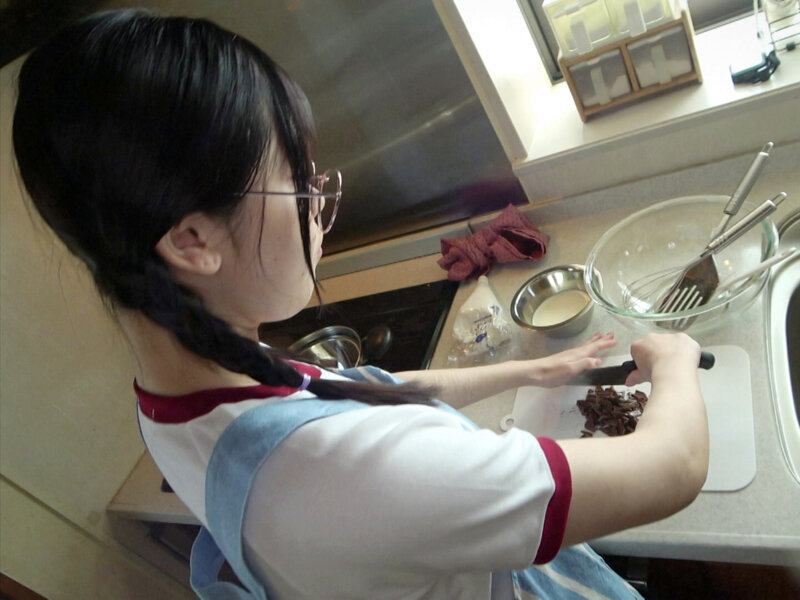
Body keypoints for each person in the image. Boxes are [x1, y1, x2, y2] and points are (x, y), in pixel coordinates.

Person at [11, 9, 708, 599]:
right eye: (299, 183)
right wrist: (673, 359)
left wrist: (527, 372)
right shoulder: (349, 477)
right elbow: (672, 467)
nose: (319, 206)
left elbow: (355, 395)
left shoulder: (173, 396)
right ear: (193, 241)